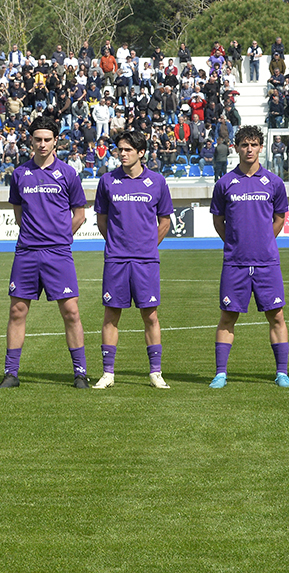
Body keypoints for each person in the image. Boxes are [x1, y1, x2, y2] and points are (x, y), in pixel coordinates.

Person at [0, 115, 89, 388]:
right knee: (17, 311)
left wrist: (60, 237)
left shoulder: (68, 174)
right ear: (31, 140)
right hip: (27, 252)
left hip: (57, 253)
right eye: (37, 139)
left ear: (56, 142)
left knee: (71, 311)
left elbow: (80, 214)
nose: (42, 144)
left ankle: (80, 373)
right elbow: (18, 212)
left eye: (47, 140)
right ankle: (11, 373)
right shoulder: (19, 174)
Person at [208, 125, 289, 388]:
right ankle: (221, 373)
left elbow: (279, 218)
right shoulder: (225, 183)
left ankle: (282, 373)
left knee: (276, 315)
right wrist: (235, 242)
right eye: (244, 145)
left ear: (260, 147)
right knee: (227, 316)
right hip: (235, 262)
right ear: (236, 148)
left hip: (267, 261)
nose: (249, 149)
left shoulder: (274, 182)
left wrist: (264, 240)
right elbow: (218, 221)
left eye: (254, 144)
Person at [92, 130, 173, 389]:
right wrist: (117, 243)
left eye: (128, 150)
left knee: (150, 315)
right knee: (111, 314)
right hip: (116, 259)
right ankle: (108, 373)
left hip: (145, 260)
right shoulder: (107, 181)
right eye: (120, 149)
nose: (122, 154)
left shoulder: (158, 182)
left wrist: (147, 245)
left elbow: (165, 221)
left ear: (141, 152)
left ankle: (156, 372)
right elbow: (102, 220)